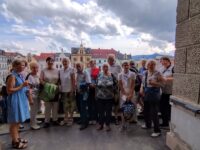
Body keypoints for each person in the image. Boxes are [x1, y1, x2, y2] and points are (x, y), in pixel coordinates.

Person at [6, 59, 30, 149]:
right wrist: (22, 86)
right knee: (14, 123)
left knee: (18, 122)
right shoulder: (12, 76)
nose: (23, 67)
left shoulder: (20, 75)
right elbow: (9, 91)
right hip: (15, 100)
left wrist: (26, 87)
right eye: (21, 65)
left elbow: (22, 87)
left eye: (24, 65)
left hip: (20, 99)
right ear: (15, 66)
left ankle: (17, 138)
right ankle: (15, 142)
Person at [140, 60, 163, 137]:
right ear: (147, 65)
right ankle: (148, 124)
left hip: (154, 94)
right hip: (146, 93)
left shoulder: (158, 73)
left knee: (154, 113)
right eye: (149, 64)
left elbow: (162, 84)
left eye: (152, 64)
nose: (150, 65)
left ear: (155, 65)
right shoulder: (145, 72)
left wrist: (154, 83)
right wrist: (142, 89)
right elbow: (143, 83)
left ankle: (157, 131)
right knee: (146, 110)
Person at [96, 63, 117, 131]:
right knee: (100, 112)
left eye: (106, 67)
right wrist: (96, 93)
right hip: (100, 96)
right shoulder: (99, 74)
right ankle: (101, 125)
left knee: (108, 112)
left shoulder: (111, 75)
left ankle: (108, 125)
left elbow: (116, 84)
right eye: (104, 67)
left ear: (108, 68)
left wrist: (112, 89)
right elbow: (96, 84)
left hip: (109, 97)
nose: (105, 68)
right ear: (102, 68)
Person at [40, 57, 59, 128]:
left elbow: (59, 80)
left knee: (55, 106)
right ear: (47, 62)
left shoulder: (57, 70)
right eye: (49, 61)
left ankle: (55, 120)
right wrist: (47, 85)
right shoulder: (43, 70)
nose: (50, 62)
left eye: (52, 61)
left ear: (53, 62)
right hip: (47, 90)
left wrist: (57, 87)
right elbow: (41, 80)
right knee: (47, 106)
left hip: (55, 89)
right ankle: (47, 121)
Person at [118, 61, 136, 131]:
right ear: (122, 66)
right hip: (123, 93)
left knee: (130, 108)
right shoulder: (120, 74)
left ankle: (128, 123)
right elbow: (120, 85)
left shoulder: (132, 74)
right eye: (124, 65)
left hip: (131, 92)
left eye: (127, 65)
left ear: (129, 66)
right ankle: (123, 124)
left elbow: (133, 85)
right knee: (123, 108)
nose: (126, 66)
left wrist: (130, 94)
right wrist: (125, 94)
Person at [59, 57, 75, 126]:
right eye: (64, 61)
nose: (65, 63)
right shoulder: (60, 70)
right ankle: (65, 118)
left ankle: (71, 119)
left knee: (71, 105)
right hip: (63, 91)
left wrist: (72, 90)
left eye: (66, 61)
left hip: (70, 90)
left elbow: (73, 81)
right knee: (65, 106)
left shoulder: (71, 70)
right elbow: (60, 81)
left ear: (69, 62)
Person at [76, 62, 91, 130]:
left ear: (82, 66)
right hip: (79, 92)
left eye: (79, 66)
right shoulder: (77, 73)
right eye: (77, 66)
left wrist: (81, 88)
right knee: (80, 107)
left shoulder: (85, 72)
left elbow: (88, 83)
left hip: (84, 93)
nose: (78, 68)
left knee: (84, 108)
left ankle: (85, 123)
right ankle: (82, 119)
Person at [107, 54, 122, 125]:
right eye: (109, 60)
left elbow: (121, 75)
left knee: (116, 103)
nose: (110, 62)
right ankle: (109, 118)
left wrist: (120, 86)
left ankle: (116, 118)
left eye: (111, 60)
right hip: (108, 87)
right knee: (109, 102)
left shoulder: (118, 66)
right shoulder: (107, 66)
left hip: (116, 87)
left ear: (113, 60)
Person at [160, 57, 174, 127]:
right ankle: (165, 122)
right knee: (162, 108)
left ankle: (168, 124)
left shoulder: (173, 68)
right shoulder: (162, 69)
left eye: (165, 61)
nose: (163, 63)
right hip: (163, 91)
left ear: (168, 61)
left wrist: (165, 78)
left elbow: (176, 78)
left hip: (170, 92)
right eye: (162, 61)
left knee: (168, 108)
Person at [27, 62, 41, 130]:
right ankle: (32, 124)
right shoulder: (29, 76)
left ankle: (35, 119)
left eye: (36, 67)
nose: (35, 69)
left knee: (36, 109)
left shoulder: (37, 75)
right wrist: (30, 99)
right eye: (33, 68)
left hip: (38, 95)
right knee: (33, 110)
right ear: (31, 68)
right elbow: (28, 88)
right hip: (33, 96)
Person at [87, 60, 99, 124]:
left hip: (96, 89)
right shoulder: (87, 70)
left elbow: (99, 79)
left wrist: (95, 85)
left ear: (95, 63)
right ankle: (90, 118)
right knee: (89, 104)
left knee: (95, 104)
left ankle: (95, 118)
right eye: (91, 63)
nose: (92, 65)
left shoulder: (98, 70)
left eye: (93, 63)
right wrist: (89, 84)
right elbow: (86, 78)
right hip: (89, 88)